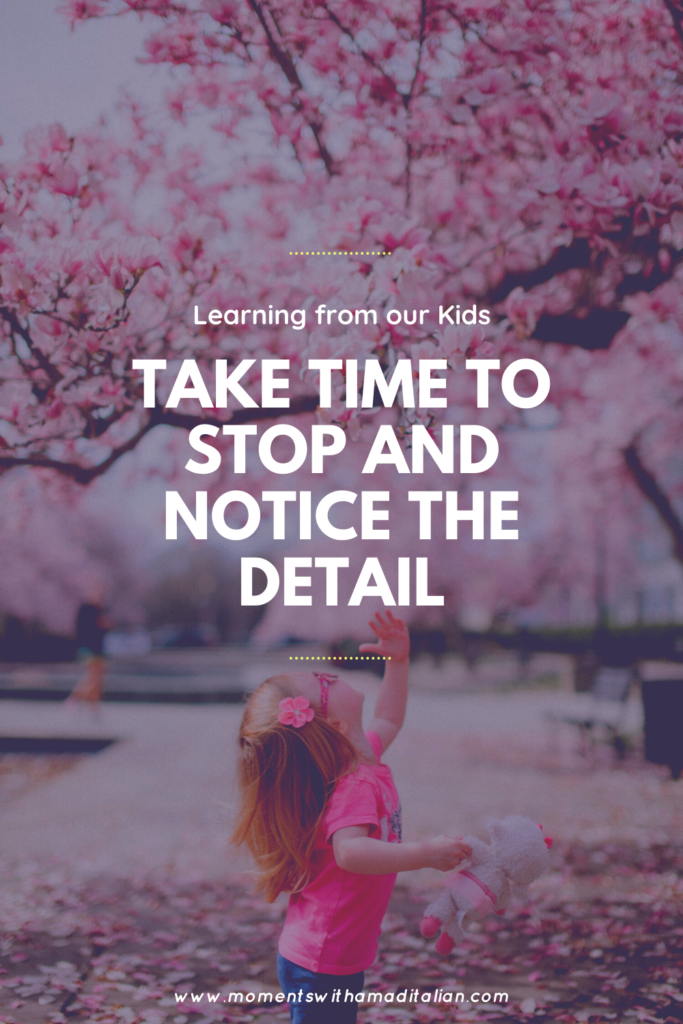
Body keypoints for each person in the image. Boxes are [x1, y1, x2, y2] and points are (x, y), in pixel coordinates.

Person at [231, 611, 471, 1023]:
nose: (329, 673)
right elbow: (351, 852)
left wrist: (398, 662)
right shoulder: (353, 785)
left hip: (324, 953)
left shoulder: (362, 756)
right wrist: (426, 853)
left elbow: (390, 717)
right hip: (323, 962)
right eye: (324, 683)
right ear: (337, 725)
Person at [67, 588, 110, 707]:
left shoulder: (100, 610)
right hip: (88, 648)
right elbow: (84, 629)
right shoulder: (86, 609)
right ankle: (74, 699)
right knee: (94, 678)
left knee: (97, 679)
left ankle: (92, 707)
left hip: (99, 649)